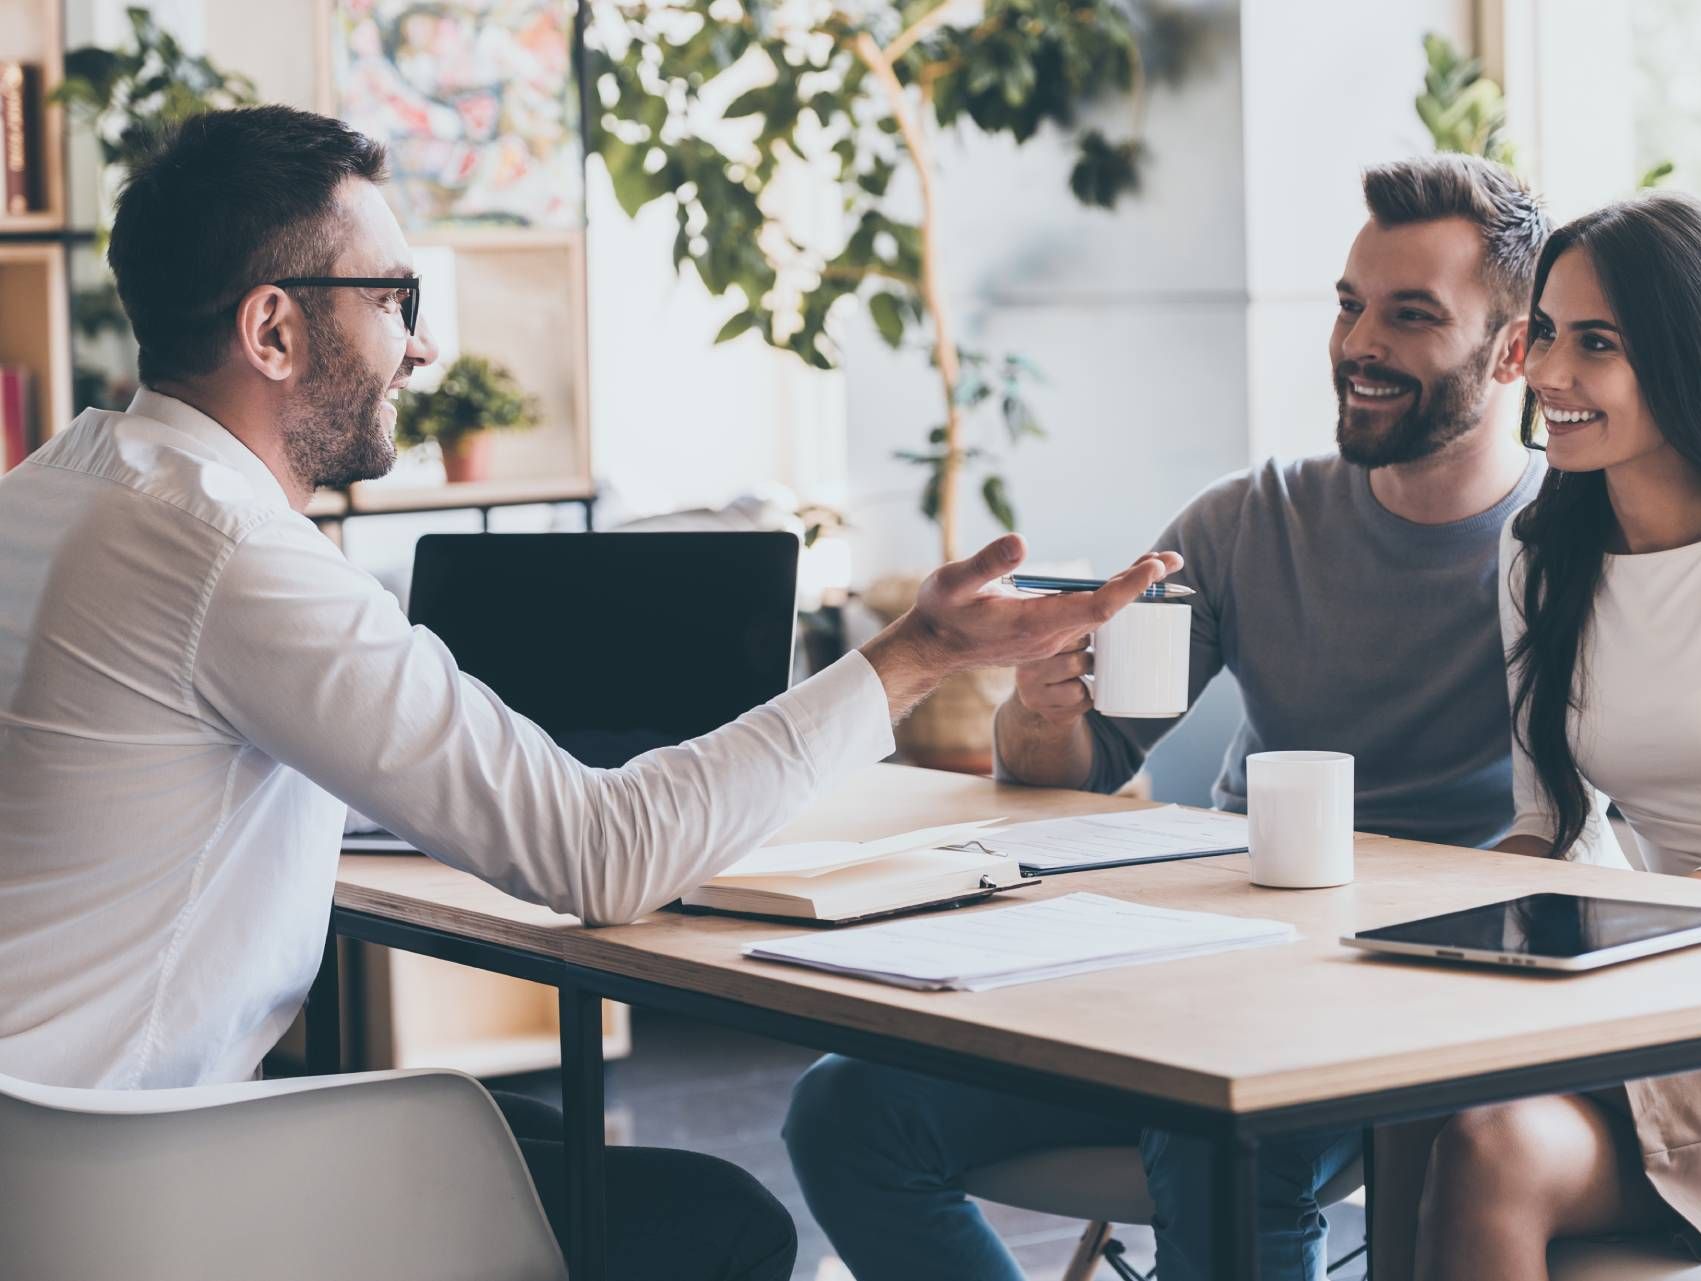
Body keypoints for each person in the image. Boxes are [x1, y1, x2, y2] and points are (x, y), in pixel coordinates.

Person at [0, 106, 1179, 1281]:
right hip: (119, 1192)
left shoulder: (54, 488)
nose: (421, 349)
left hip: (38, 1141)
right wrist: (916, 652)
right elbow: (601, 856)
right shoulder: (233, 554)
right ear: (273, 330)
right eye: (395, 299)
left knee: (544, 1141)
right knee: (721, 1226)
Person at [782, 156, 1701, 1280]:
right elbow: (1550, 819)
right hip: (1414, 959)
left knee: (1434, 1130)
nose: (1362, 343)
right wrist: (1043, 706)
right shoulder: (1542, 552)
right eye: (1348, 306)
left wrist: (1533, 940)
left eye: (1413, 315)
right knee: (850, 1108)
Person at [1372, 192, 1701, 1280]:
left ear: (1691, 356)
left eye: (1599, 343)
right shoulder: (1540, 552)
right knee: (1402, 1098)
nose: (1550, 373)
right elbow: (1548, 823)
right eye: (1548, 334)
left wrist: (1612, 960)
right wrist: (1428, 933)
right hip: (1682, 976)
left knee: (1488, 1145)